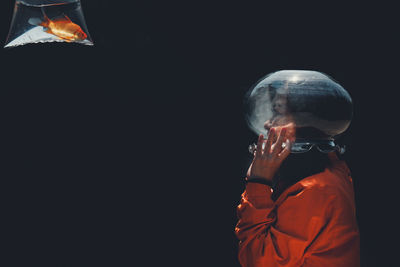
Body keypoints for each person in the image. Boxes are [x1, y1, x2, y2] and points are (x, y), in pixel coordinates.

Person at [235, 124, 360, 267]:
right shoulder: (330, 172)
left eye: (279, 111)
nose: (267, 124)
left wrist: (258, 181)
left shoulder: (315, 191)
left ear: (304, 122)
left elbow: (259, 261)